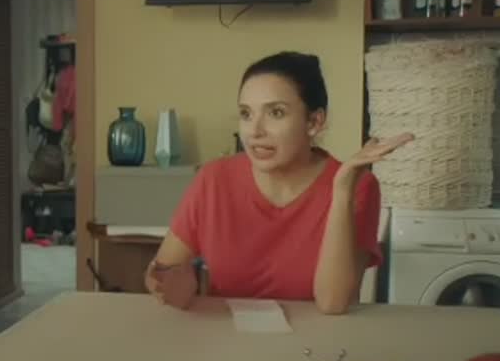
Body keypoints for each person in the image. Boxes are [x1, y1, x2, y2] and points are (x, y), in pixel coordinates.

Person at [145, 51, 413, 314]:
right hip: (225, 334)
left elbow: (333, 303)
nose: (255, 131)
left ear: (314, 121)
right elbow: (160, 274)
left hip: (317, 340)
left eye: (276, 113)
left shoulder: (358, 185)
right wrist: (175, 286)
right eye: (246, 114)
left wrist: (342, 191)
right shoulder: (213, 179)